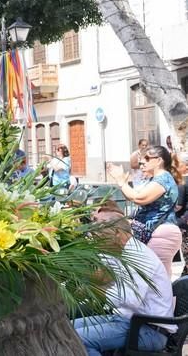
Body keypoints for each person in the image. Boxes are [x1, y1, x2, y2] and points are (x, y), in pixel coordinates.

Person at [73, 209, 175, 355]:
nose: (95, 240)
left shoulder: (138, 256)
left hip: (150, 330)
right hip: (126, 320)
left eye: (99, 235)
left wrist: (93, 290)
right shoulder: (120, 250)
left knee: (77, 340)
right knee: (66, 330)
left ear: (117, 233)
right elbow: (101, 276)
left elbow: (128, 300)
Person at [107, 145, 182, 276]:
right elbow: (133, 195)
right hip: (157, 233)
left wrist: (120, 181)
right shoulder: (156, 179)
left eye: (147, 159)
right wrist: (122, 183)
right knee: (155, 276)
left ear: (159, 160)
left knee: (153, 276)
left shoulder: (163, 178)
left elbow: (138, 198)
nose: (142, 163)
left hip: (162, 233)